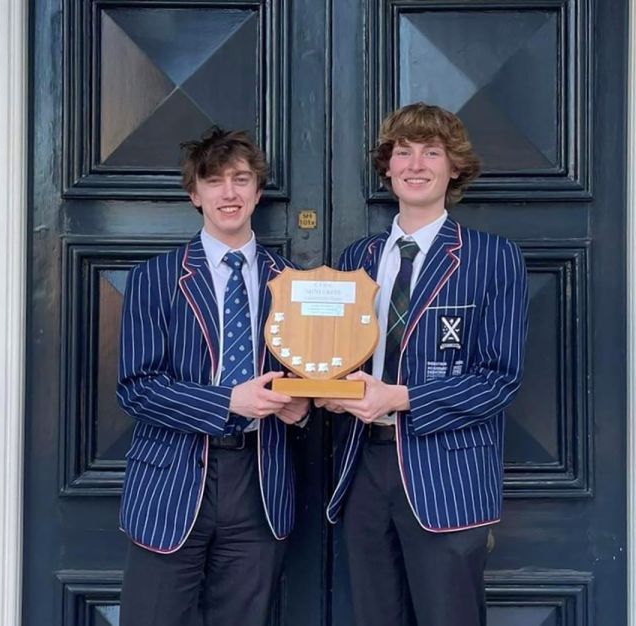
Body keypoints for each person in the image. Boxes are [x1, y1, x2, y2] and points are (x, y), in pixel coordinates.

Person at [318, 103, 528, 626]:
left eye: (431, 152)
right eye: (403, 152)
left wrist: (401, 398)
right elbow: (333, 357)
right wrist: (326, 390)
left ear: (454, 167)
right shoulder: (356, 259)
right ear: (387, 167)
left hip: (447, 473)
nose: (415, 165)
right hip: (362, 467)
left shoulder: (492, 257)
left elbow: (498, 378)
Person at [116, 127, 308, 626]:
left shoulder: (292, 283)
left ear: (258, 193)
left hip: (259, 480)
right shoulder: (156, 278)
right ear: (194, 194)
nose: (229, 193)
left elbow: (306, 374)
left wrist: (302, 407)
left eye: (241, 180)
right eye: (215, 180)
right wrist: (226, 402)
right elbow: (138, 388)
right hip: (172, 479)